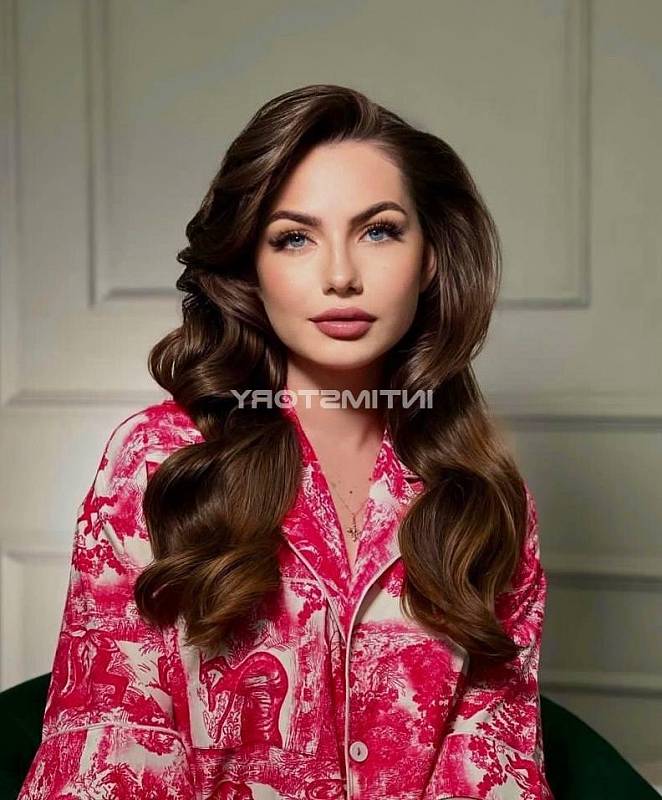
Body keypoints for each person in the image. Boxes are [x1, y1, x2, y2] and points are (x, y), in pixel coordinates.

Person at [18, 84, 553, 800]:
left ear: (430, 258)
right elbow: (106, 744)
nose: (340, 276)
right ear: (250, 264)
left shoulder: (484, 490)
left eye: (379, 231)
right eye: (294, 238)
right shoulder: (157, 463)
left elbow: (497, 758)